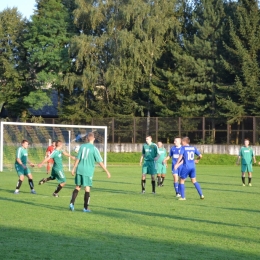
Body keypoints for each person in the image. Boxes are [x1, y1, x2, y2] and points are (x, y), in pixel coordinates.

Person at [69, 132, 111, 212]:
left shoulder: (82, 146)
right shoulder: (94, 149)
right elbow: (100, 162)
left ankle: (72, 203)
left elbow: (78, 158)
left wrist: (73, 168)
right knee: (87, 188)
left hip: (79, 169)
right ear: (94, 139)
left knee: (77, 187)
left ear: (87, 138)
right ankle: (85, 208)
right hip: (88, 171)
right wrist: (107, 171)